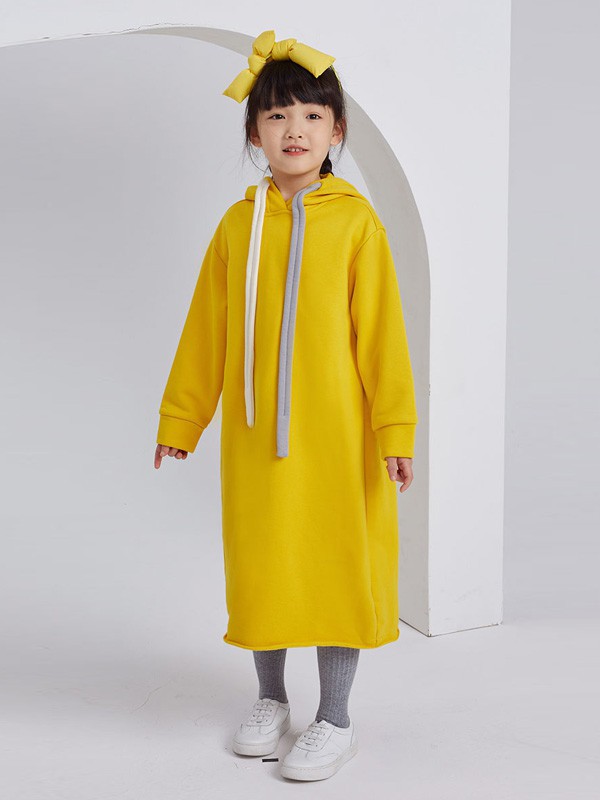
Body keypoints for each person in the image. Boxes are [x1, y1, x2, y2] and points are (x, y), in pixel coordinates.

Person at [154, 29, 418, 782]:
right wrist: (182, 420)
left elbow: (384, 337)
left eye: (310, 115)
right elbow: (206, 330)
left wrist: (395, 429)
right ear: (254, 133)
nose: (293, 129)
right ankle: (270, 698)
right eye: (276, 116)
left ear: (337, 131)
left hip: (338, 436)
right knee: (266, 564)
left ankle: (335, 718)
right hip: (254, 438)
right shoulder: (237, 228)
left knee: (336, 566)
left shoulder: (357, 224)